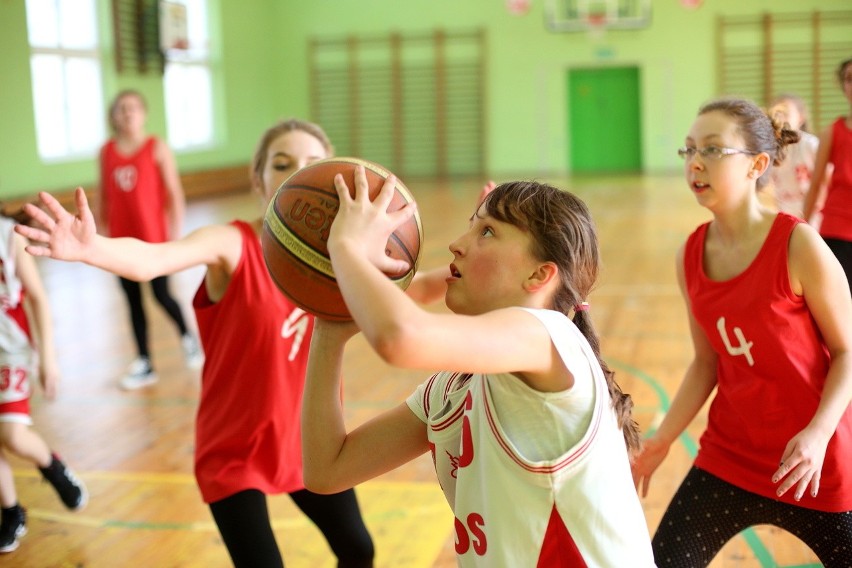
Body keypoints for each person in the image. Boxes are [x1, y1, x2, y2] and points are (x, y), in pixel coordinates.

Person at [16, 118, 453, 568]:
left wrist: (470, 271)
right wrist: (91, 248)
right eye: (282, 163)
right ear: (258, 180)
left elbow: (411, 289)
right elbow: (155, 259)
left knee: (359, 550)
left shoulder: (342, 262)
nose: (296, 171)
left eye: (312, 163)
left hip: (304, 441)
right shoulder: (233, 244)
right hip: (234, 450)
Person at [300, 172, 656, 566]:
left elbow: (399, 337)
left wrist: (346, 246)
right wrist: (328, 332)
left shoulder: (552, 338)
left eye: (486, 232)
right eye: (471, 226)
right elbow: (327, 470)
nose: (456, 245)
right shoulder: (453, 390)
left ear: (540, 275)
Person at [632, 97, 852, 567]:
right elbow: (705, 362)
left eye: (712, 150)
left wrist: (817, 435)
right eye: (688, 150)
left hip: (811, 460)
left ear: (757, 164)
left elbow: (847, 351)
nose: (695, 162)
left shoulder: (798, 244)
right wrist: (662, 440)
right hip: (730, 455)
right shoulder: (689, 255)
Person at [97, 89, 202, 390]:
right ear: (113, 116)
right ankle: (144, 361)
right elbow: (103, 194)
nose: (127, 113)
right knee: (132, 302)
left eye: (133, 108)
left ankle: (187, 337)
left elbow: (174, 194)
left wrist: (175, 235)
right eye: (121, 109)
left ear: (143, 114)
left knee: (161, 295)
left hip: (153, 240)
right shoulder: (107, 151)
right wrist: (101, 234)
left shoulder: (156, 147)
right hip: (120, 241)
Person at [0, 210, 87, 554]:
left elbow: (37, 297)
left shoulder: (10, 235)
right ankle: (11, 513)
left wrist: (49, 358)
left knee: (12, 435)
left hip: (11, 351)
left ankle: (53, 467)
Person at [803, 58, 852, 296]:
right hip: (837, 228)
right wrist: (801, 227)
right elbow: (815, 185)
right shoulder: (832, 132)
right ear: (843, 86)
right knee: (839, 297)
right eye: (849, 79)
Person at [766, 93, 821, 221]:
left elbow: (827, 178)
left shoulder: (811, 145)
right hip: (783, 210)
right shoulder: (768, 148)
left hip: (813, 211)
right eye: (777, 113)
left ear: (801, 118)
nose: (780, 118)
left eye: (786, 113)